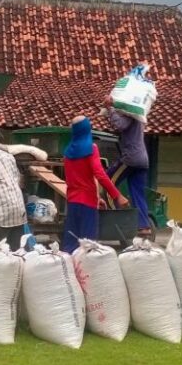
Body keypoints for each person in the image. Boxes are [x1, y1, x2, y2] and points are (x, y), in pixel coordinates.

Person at [62, 116, 128, 254]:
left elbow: (74, 179)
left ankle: (68, 273)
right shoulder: (91, 148)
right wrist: (117, 196)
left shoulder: (67, 152)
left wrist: (98, 197)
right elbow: (100, 174)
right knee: (88, 247)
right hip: (87, 204)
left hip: (72, 202)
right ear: (87, 129)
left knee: (70, 245)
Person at [103, 96, 152, 236]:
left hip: (131, 159)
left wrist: (110, 108)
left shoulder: (130, 115)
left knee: (107, 183)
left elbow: (120, 125)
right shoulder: (138, 116)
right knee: (138, 193)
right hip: (143, 160)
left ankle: (116, 218)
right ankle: (144, 227)